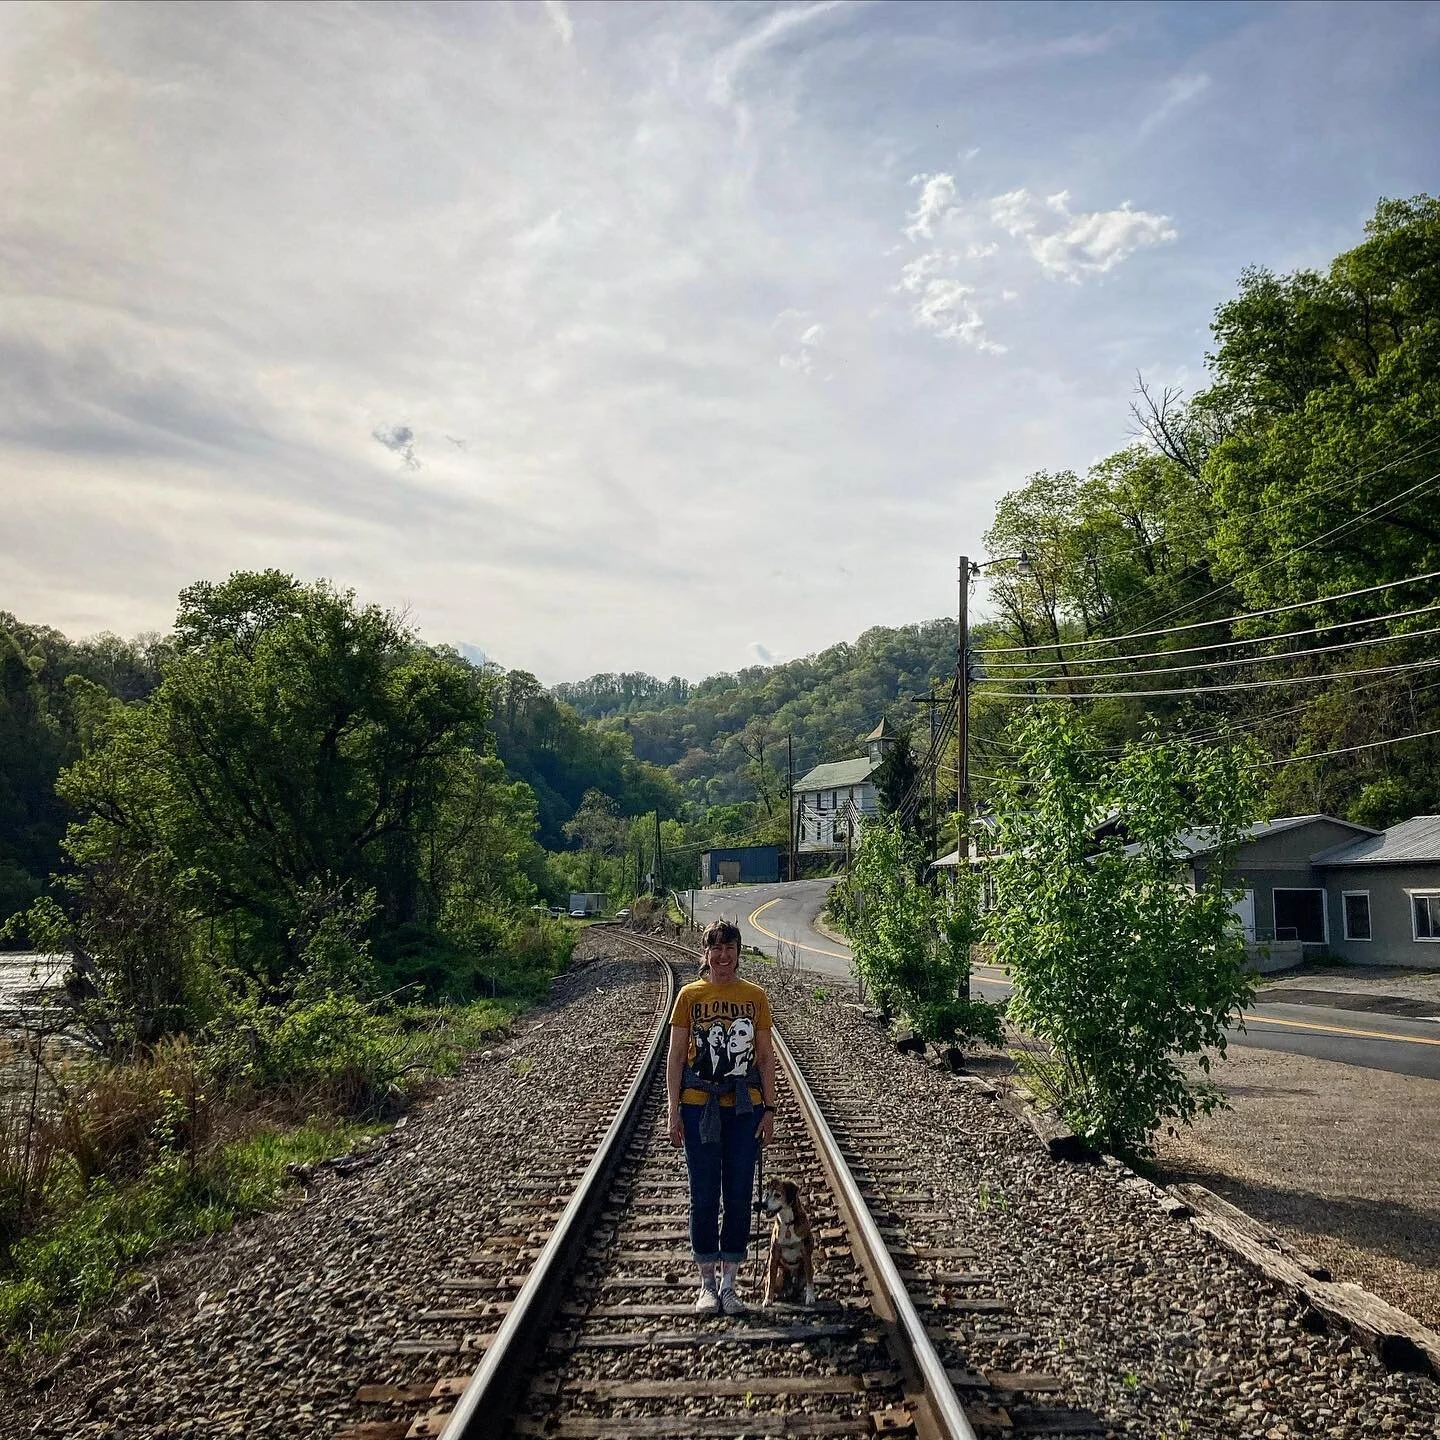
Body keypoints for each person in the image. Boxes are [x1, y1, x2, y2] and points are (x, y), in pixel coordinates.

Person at [666, 919, 775, 1315]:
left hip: (744, 1109)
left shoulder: (755, 997)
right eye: (717, 948)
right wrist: (673, 1108)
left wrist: (769, 1109)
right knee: (704, 1193)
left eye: (730, 948)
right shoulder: (689, 996)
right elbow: (676, 1057)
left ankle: (731, 1283)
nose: (723, 956)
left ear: (738, 953)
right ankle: (706, 1283)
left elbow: (764, 1057)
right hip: (699, 1107)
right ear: (706, 954)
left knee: (740, 1194)